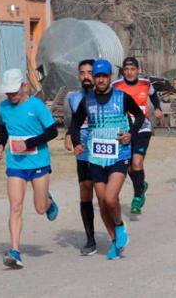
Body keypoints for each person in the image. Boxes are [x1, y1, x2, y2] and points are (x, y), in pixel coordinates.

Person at [68, 60, 145, 260]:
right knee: (102, 203)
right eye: (97, 76)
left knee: (111, 198)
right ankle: (114, 241)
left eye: (104, 76)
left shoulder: (122, 97)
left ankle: (119, 226)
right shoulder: (88, 101)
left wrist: (130, 133)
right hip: (95, 157)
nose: (100, 80)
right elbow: (74, 125)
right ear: (93, 78)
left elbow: (139, 116)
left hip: (119, 155)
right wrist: (77, 143)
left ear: (110, 77)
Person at [0, 68, 60, 269]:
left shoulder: (36, 105)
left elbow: (53, 131)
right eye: (8, 92)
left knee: (40, 209)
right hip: (16, 164)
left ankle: (48, 201)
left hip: (38, 162)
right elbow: (4, 129)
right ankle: (14, 251)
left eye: (15, 91)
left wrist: (30, 143)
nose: (11, 96)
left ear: (24, 86)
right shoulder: (3, 107)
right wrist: (0, 145)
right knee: (15, 206)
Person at [113, 57, 163, 214]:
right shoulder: (116, 86)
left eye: (132, 69)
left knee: (137, 162)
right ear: (123, 71)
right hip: (125, 130)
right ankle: (141, 185)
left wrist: (157, 108)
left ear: (138, 70)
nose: (129, 72)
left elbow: (154, 96)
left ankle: (137, 198)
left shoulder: (146, 84)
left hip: (142, 128)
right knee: (129, 168)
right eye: (126, 69)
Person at [63, 59, 98, 255]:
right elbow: (74, 122)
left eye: (90, 72)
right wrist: (69, 135)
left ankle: (115, 227)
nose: (86, 76)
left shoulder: (104, 96)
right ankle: (90, 239)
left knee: (104, 197)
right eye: (82, 73)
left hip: (102, 150)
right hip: (83, 150)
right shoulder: (73, 98)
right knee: (85, 192)